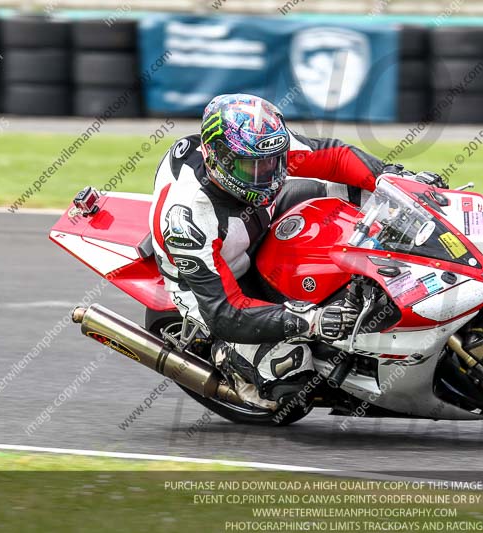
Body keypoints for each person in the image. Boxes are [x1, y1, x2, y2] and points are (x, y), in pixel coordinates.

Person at [148, 93, 386, 410]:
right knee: (292, 378)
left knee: (359, 194)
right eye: (252, 168)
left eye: (273, 162)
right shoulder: (189, 219)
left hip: (259, 224)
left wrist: (390, 178)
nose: (268, 176)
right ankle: (228, 357)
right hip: (219, 282)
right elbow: (223, 312)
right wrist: (312, 321)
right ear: (220, 159)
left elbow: (334, 156)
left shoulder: (259, 143)